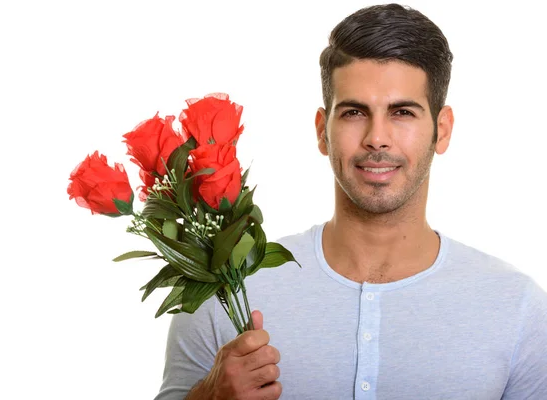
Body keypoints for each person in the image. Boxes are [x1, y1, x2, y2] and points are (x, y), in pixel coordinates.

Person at [154, 4, 547, 399]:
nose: (377, 138)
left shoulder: (515, 308)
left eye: (403, 112)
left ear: (441, 131)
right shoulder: (227, 290)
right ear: (322, 132)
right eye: (355, 112)